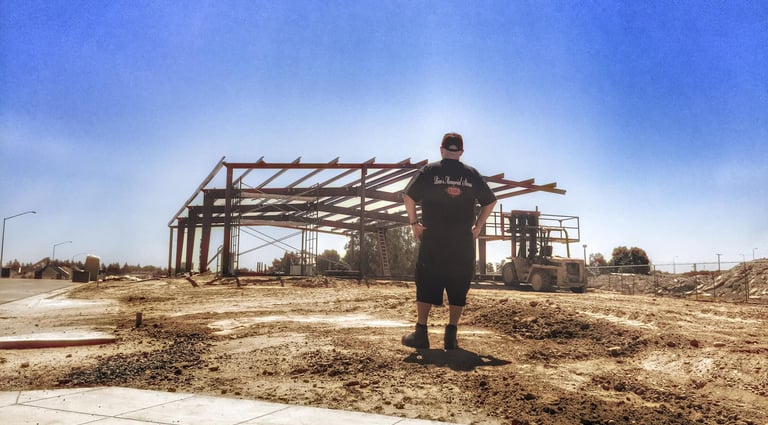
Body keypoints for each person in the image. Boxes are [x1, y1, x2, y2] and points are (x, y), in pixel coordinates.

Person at [402, 132, 497, 350]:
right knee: (458, 285)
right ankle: (451, 336)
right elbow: (490, 202)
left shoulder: (429, 171)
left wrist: (414, 223)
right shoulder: (472, 174)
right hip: (461, 241)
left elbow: (408, 195)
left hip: (433, 238)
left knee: (426, 283)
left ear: (441, 149)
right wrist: (478, 226)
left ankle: (421, 334)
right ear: (461, 152)